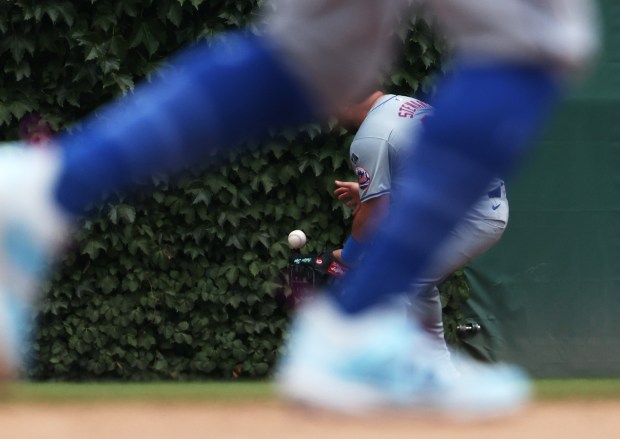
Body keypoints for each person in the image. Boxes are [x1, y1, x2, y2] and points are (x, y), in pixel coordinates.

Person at [0, 0, 598, 417]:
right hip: (482, 203)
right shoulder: (402, 108)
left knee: (320, 55)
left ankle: (45, 187)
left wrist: (353, 260)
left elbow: (380, 207)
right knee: (522, 39)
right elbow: (404, 177)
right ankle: (362, 330)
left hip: (477, 211)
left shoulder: (370, 134)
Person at [329, 91, 509, 374]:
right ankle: (439, 375)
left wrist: (347, 258)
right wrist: (371, 191)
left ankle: (400, 375)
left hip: (472, 214)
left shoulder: (369, 137)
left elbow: (374, 214)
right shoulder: (403, 103)